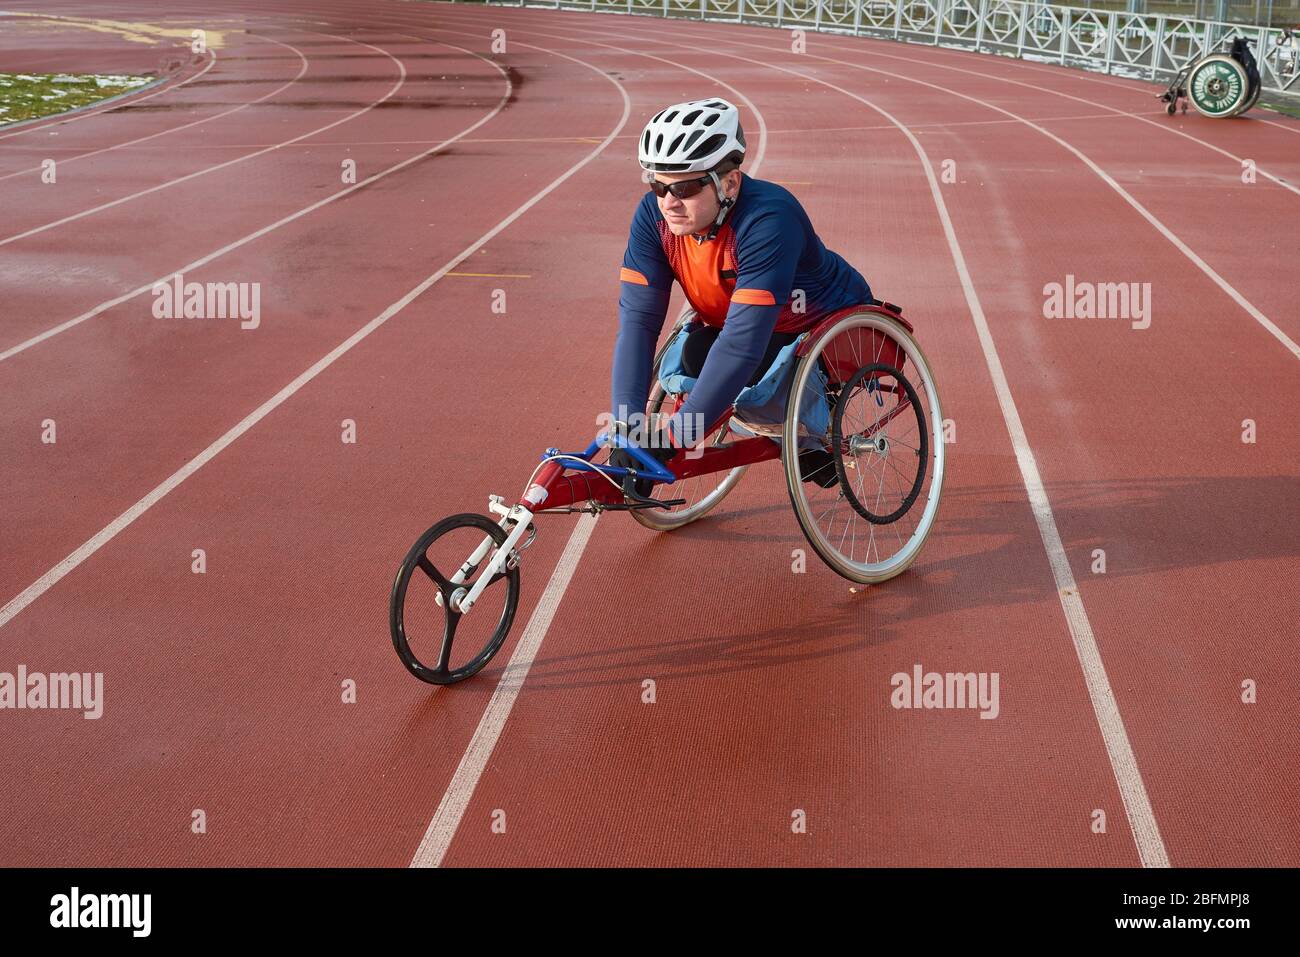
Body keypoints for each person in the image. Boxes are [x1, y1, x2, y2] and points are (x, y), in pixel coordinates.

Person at [608, 97, 874, 493]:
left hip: (814, 321)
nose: (668, 202)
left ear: (728, 183)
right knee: (697, 353)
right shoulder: (653, 217)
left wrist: (676, 438)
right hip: (737, 321)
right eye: (657, 184)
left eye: (684, 186)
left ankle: (814, 423)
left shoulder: (768, 219)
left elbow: (740, 346)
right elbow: (638, 324)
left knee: (756, 373)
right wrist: (626, 429)